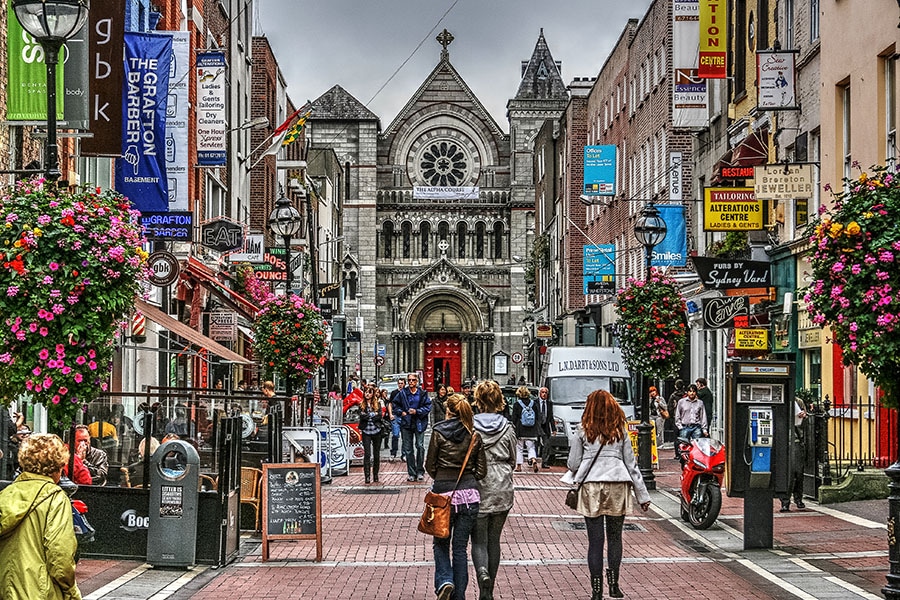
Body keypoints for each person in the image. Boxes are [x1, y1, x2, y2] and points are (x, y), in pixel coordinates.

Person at [567, 389, 651, 600]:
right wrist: (642, 495)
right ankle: (614, 585)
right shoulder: (620, 430)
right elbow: (631, 465)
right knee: (615, 538)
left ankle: (596, 590)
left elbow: (573, 463)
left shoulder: (583, 430)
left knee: (595, 541)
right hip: (617, 483)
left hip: (592, 485)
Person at [0, 433, 82, 599]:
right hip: (40, 591)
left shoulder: (5, 494)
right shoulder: (55, 498)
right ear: (56, 467)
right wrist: (71, 591)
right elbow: (60, 557)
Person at [425, 393, 488, 600]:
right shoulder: (474, 435)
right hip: (469, 497)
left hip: (444, 495)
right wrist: (467, 479)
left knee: (441, 543)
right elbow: (481, 471)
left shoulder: (438, 432)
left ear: (448, 411)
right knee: (460, 548)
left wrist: (442, 478)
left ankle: (445, 580)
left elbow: (429, 465)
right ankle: (459, 595)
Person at [471, 381, 517, 600]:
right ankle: (488, 590)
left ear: (478, 401)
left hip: (479, 486)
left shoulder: (470, 427)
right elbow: (514, 459)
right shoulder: (507, 428)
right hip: (502, 487)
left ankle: (482, 575)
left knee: (478, 540)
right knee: (494, 540)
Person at [393, 372, 432, 481]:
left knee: (420, 446)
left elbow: (428, 407)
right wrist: (401, 412)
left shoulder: (422, 393)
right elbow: (395, 405)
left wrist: (417, 411)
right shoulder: (403, 393)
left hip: (419, 422)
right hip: (406, 423)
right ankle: (411, 472)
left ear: (417, 381)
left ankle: (420, 470)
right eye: (409, 380)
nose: (411, 382)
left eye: (413, 380)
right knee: (408, 449)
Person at [780, 396, 809, 512]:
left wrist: (804, 416)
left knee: (798, 472)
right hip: (783, 440)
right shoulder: (781, 398)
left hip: (796, 440)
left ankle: (798, 498)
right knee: (786, 473)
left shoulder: (799, 401)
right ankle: (785, 501)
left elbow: (806, 420)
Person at [357, 385, 386, 484]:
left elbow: (379, 416)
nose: (367, 394)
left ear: (373, 394)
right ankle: (367, 476)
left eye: (369, 392)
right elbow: (362, 416)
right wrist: (371, 415)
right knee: (367, 454)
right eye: (365, 392)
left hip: (376, 431)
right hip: (366, 431)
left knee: (376, 454)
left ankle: (376, 475)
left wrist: (370, 416)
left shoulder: (377, 404)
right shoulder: (361, 404)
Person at [512, 386, 540, 472]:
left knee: (519, 447)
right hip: (531, 429)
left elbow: (514, 418)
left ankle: (519, 466)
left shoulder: (517, 404)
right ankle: (533, 459)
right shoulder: (533, 403)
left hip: (521, 429)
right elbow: (537, 416)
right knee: (531, 447)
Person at [537, 386, 555, 469]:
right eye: (542, 392)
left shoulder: (549, 403)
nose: (544, 394)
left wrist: (554, 428)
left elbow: (551, 417)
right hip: (537, 426)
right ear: (539, 393)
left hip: (546, 426)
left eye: (545, 393)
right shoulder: (535, 402)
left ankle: (544, 462)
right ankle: (532, 458)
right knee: (535, 443)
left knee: (546, 444)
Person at [388, 377, 406, 459]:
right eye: (399, 383)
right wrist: (390, 414)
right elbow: (390, 404)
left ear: (404, 384)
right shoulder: (394, 393)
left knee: (405, 436)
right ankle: (393, 453)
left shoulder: (407, 392)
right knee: (395, 435)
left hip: (405, 416)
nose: (400, 385)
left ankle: (404, 454)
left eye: (402, 383)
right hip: (396, 415)